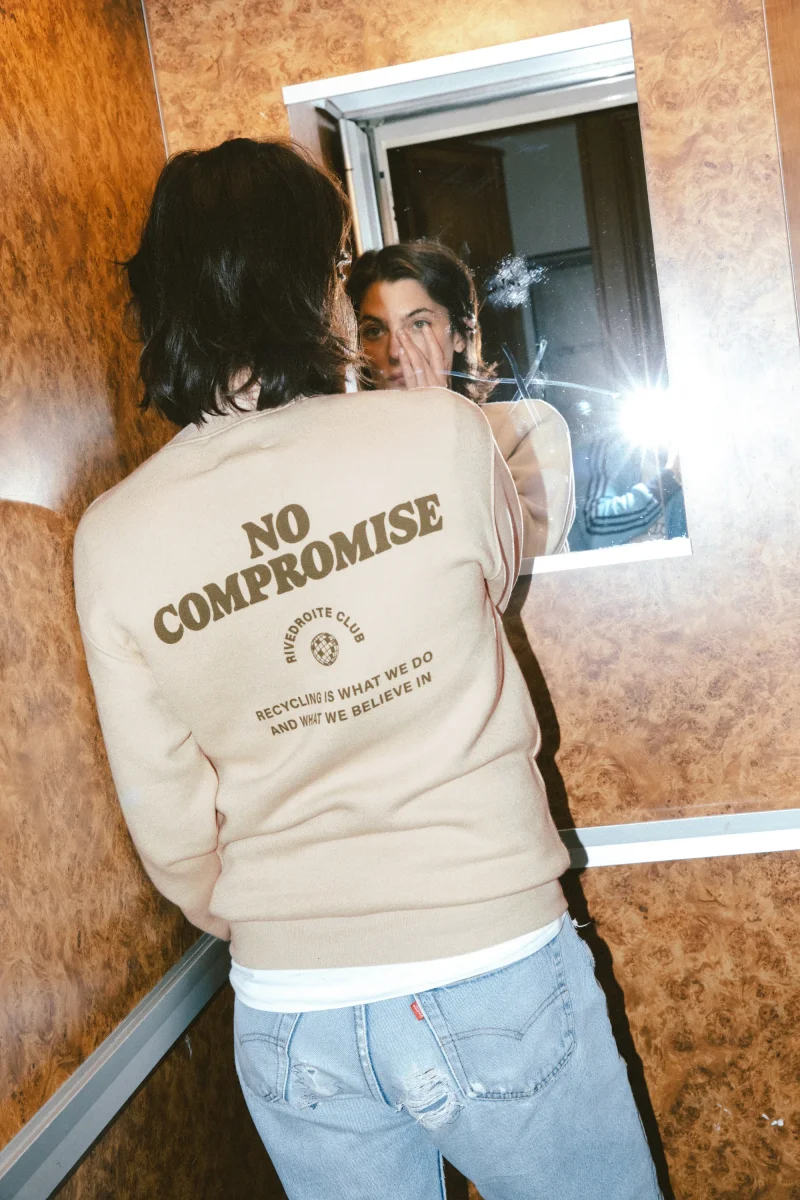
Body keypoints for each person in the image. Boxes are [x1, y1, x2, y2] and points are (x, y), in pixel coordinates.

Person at [73, 138, 661, 1200]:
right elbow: (493, 577)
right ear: (309, 285)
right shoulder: (439, 434)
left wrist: (295, 914)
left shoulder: (111, 536)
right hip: (486, 954)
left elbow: (172, 829)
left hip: (290, 1008)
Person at [347, 241, 575, 563]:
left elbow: (527, 553)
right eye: (375, 330)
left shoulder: (525, 427)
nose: (395, 352)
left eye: (418, 324)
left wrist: (440, 425)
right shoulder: (353, 456)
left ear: (460, 334)